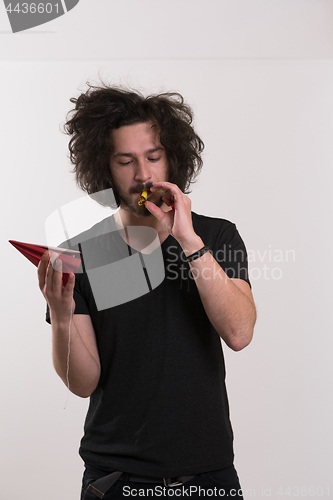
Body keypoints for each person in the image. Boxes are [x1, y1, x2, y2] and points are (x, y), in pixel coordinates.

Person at [38, 84, 256, 499]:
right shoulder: (82, 252)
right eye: (126, 161)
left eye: (153, 157)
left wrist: (189, 242)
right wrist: (61, 316)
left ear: (173, 157)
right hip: (116, 479)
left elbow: (240, 333)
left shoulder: (216, 235)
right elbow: (83, 384)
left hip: (208, 476)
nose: (143, 174)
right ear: (105, 167)